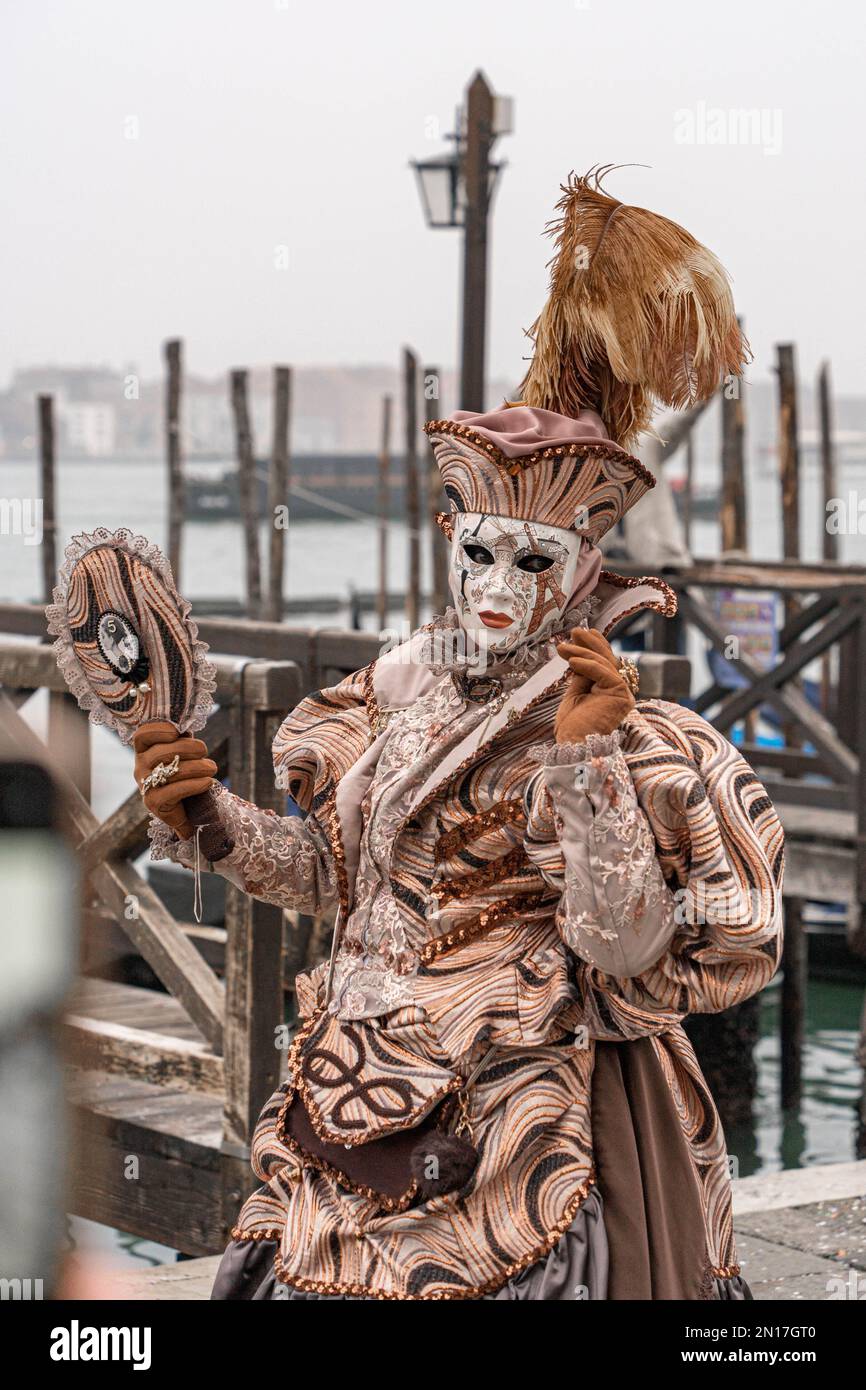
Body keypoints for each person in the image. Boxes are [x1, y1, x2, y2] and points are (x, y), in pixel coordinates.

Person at [135, 170, 783, 1300]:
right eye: (475, 552)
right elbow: (340, 876)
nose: (492, 587)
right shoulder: (404, 688)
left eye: (529, 561)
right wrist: (210, 823)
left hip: (530, 1118)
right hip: (358, 1086)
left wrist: (584, 762)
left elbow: (622, 948)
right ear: (448, 537)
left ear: (586, 565)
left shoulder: (625, 732)